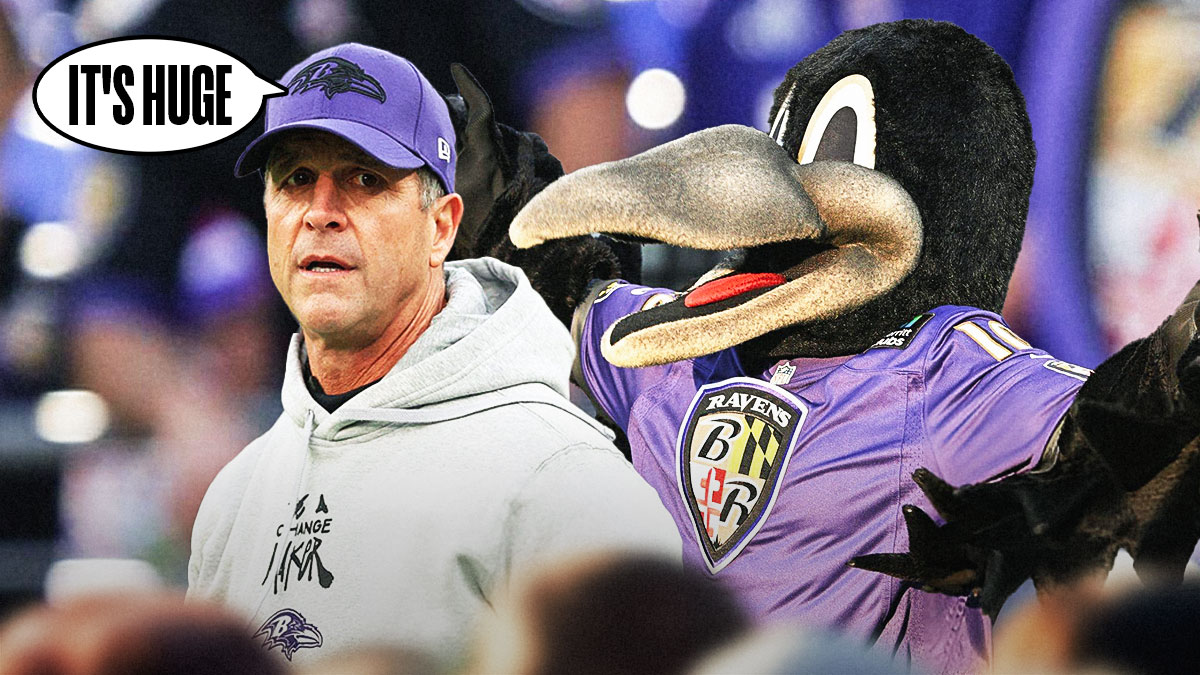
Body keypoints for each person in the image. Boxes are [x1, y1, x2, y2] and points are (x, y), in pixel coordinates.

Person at [186, 43, 681, 669]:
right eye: (295, 179)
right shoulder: (234, 497)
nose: (320, 213)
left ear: (442, 227)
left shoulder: (564, 480)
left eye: (365, 179)